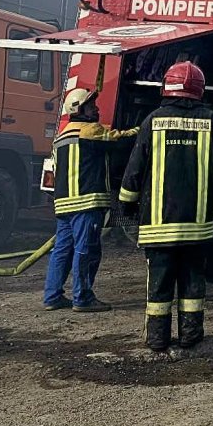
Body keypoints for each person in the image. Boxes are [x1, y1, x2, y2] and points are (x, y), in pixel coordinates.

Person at [118, 62, 213, 352]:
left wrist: (127, 204)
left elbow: (134, 169)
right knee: (193, 281)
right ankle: (190, 336)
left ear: (166, 87)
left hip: (158, 225)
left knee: (159, 282)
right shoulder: (212, 121)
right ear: (199, 89)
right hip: (198, 225)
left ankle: (157, 338)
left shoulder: (153, 121)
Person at [42, 88, 138, 313]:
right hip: (86, 203)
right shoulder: (90, 130)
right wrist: (144, 128)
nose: (96, 109)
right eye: (91, 106)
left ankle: (52, 295)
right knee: (87, 249)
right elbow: (121, 140)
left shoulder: (61, 136)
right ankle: (83, 297)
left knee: (62, 250)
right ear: (79, 110)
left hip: (64, 204)